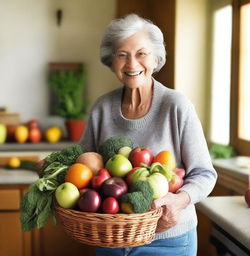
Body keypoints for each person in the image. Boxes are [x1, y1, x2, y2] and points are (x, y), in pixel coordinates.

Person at [79, 14, 217, 256]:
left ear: (156, 58)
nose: (132, 64)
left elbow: (205, 174)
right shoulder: (101, 108)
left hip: (168, 240)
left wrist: (180, 200)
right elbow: (83, 167)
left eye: (141, 53)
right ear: (111, 61)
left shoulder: (176, 105)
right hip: (111, 239)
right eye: (122, 54)